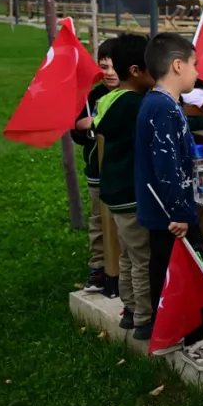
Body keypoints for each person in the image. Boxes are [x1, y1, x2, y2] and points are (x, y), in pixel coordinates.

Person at [135, 33, 203, 372]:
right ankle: (195, 340)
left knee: (166, 273)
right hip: (174, 217)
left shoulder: (159, 104)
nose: (196, 72)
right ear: (177, 65)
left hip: (161, 215)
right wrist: (181, 213)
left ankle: (168, 332)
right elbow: (168, 168)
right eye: (194, 65)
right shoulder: (163, 108)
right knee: (195, 275)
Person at [93, 35, 158, 338]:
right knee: (142, 257)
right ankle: (144, 319)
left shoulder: (111, 100)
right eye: (152, 67)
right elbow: (166, 123)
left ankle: (130, 309)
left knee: (128, 254)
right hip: (133, 195)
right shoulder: (137, 105)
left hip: (115, 192)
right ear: (135, 70)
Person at [72, 37, 120, 293]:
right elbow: (77, 130)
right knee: (98, 220)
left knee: (124, 222)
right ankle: (99, 266)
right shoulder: (91, 96)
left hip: (124, 172)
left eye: (114, 66)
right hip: (97, 173)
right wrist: (82, 125)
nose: (109, 72)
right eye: (104, 66)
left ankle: (125, 267)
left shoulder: (133, 94)